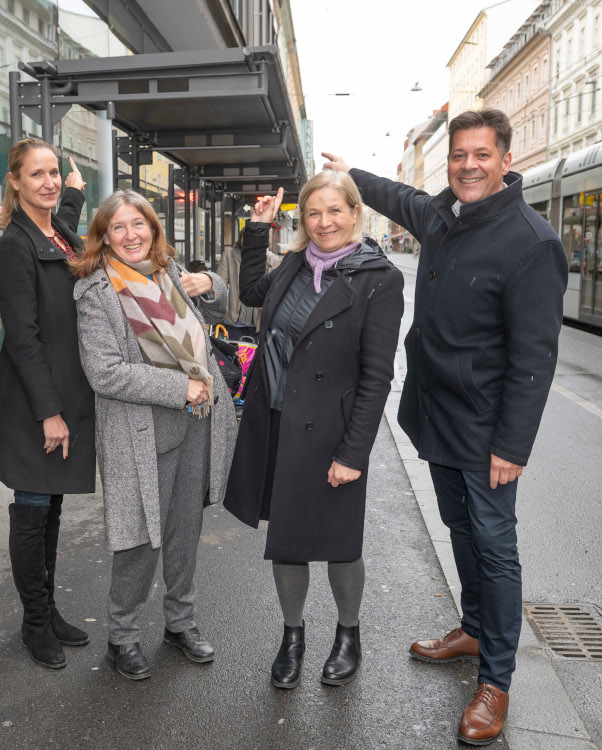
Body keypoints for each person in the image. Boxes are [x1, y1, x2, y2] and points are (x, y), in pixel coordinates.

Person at [324, 107, 568, 746]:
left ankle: (496, 680)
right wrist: (353, 174)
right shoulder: (442, 215)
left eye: (481, 155)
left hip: (489, 432)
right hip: (438, 416)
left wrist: (513, 443)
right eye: (460, 155)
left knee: (495, 545)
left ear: (505, 160)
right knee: (460, 528)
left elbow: (534, 358)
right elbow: (399, 197)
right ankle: (472, 627)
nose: (468, 165)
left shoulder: (532, 241)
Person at [223, 173, 404, 690]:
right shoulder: (294, 267)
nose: (324, 223)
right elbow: (252, 288)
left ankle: (349, 635)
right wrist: (257, 229)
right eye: (313, 214)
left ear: (354, 213)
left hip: (333, 433)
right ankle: (292, 635)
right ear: (301, 222)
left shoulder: (380, 278)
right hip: (278, 423)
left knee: (341, 542)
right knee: (288, 540)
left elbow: (376, 377)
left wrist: (354, 453)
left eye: (334, 211)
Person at [71, 190, 238, 680]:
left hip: (196, 423)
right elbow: (104, 373)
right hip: (139, 433)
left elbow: (223, 304)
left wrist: (209, 279)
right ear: (103, 236)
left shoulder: (167, 273)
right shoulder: (97, 293)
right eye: (118, 227)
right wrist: (180, 387)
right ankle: (122, 635)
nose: (130, 235)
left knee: (186, 530)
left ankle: (180, 622)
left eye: (138, 224)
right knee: (139, 541)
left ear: (153, 229)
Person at [0, 138, 95, 670]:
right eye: (37, 175)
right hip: (35, 401)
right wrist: (49, 413)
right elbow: (23, 338)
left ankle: (48, 610)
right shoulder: (14, 246)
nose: (49, 182)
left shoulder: (56, 231)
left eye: (54, 173)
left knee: (52, 505)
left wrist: (72, 195)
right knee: (33, 511)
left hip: (60, 393)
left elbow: (64, 230)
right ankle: (34, 623)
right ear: (16, 182)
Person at [215, 234, 281, 340]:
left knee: (256, 356)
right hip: (235, 321)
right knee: (237, 354)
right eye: (246, 237)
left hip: (259, 323)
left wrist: (269, 301)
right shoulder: (228, 255)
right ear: (240, 239)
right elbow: (219, 284)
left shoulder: (272, 260)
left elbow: (278, 288)